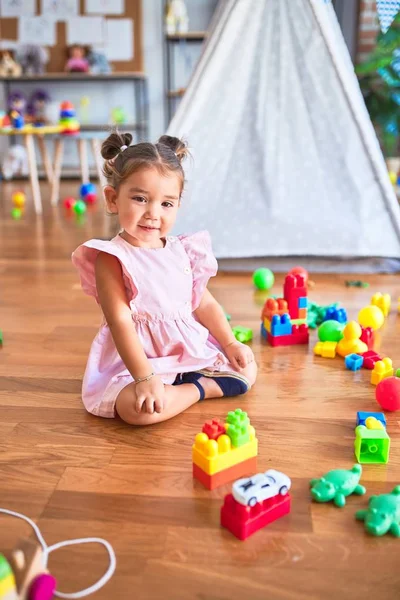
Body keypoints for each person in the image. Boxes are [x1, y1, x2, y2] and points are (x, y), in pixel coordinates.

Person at [72, 132, 257, 426]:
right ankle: (198, 388)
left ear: (178, 204)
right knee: (140, 410)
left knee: (247, 369)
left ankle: (193, 385)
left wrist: (231, 342)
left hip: (186, 350)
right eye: (140, 199)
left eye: (166, 204)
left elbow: (204, 304)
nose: (152, 214)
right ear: (112, 199)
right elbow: (120, 321)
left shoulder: (181, 250)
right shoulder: (111, 257)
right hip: (136, 361)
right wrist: (145, 377)